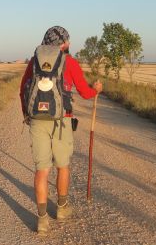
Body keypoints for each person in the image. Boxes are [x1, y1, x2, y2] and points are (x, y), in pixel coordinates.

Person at [19, 26, 102, 234]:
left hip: (37, 119)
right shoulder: (70, 63)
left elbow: (23, 90)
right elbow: (84, 92)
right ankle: (62, 208)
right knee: (62, 166)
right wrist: (97, 90)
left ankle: (42, 220)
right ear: (64, 43)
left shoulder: (34, 62)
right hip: (62, 119)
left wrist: (27, 115)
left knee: (42, 170)